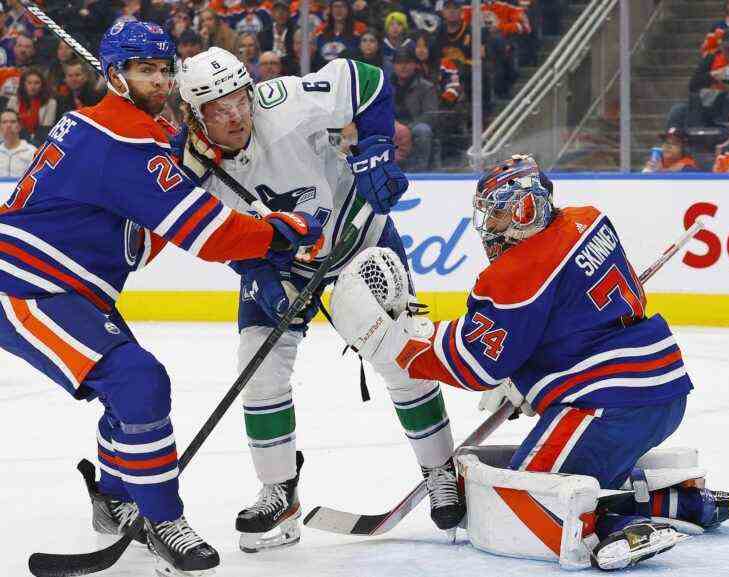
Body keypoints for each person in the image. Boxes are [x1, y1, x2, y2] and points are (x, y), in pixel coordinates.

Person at [0, 21, 323, 577]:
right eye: (143, 70)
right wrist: (282, 230)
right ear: (115, 76)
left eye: (163, 69)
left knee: (127, 392)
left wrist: (180, 157)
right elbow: (209, 235)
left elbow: (143, 235)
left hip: (68, 287)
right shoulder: (125, 141)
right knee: (138, 381)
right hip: (27, 286)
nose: (158, 79)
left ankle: (114, 499)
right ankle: (160, 519)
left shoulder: (107, 126)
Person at [329, 154, 729, 571]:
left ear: (525, 208)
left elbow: (473, 365)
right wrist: (532, 374)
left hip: (607, 404)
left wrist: (396, 345)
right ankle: (685, 502)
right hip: (657, 388)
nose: (489, 229)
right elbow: (570, 316)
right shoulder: (588, 220)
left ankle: (617, 527)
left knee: (524, 496)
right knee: (577, 474)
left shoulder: (518, 271)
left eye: (496, 217)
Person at [175, 46, 461, 552]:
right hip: (280, 260)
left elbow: (367, 80)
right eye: (219, 108)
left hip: (361, 235)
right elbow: (213, 235)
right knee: (258, 369)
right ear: (195, 117)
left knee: (404, 353)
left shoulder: (282, 102)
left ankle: (442, 470)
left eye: (240, 98)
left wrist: (375, 147)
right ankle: (279, 493)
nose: (238, 114)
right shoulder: (187, 170)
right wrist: (256, 271)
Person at [391, 46, 439, 171]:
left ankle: (419, 171)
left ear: (415, 65)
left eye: (407, 62)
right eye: (399, 63)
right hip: (391, 126)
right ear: (394, 65)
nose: (403, 66)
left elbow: (430, 114)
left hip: (414, 126)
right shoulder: (385, 86)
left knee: (423, 130)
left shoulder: (426, 87)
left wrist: (407, 128)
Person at [6, 67, 57, 142]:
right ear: (23, 84)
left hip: (38, 139)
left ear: (42, 85)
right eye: (29, 83)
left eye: (37, 83)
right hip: (15, 137)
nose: (33, 86)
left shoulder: (51, 103)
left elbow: (45, 129)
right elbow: (9, 123)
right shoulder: (14, 100)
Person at [0, 108, 36, 176]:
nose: (9, 125)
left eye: (13, 122)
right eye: (4, 122)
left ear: (19, 126)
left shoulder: (32, 151)